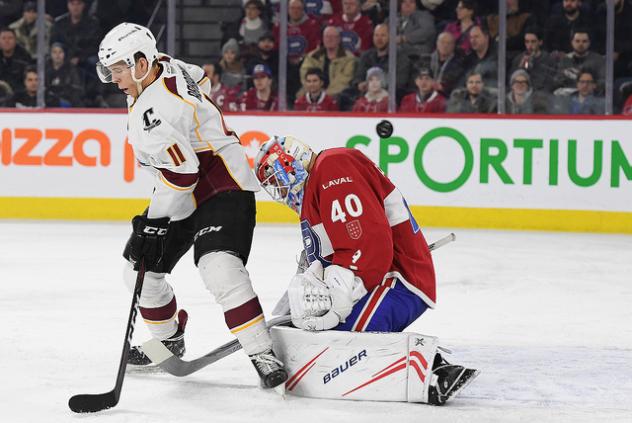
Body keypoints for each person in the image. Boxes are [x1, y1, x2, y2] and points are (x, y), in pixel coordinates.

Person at [95, 23, 287, 389]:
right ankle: (169, 339)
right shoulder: (163, 64)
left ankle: (262, 352)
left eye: (119, 68)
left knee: (219, 267)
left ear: (139, 62)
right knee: (139, 273)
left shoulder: (156, 110)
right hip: (182, 186)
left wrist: (153, 221)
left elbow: (183, 174)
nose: (114, 77)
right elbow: (201, 78)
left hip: (221, 184)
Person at [253, 135, 478, 405]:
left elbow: (367, 243)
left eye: (278, 178)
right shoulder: (317, 188)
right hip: (374, 281)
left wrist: (337, 302)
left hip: (397, 281)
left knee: (334, 347)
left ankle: (433, 369)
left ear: (291, 163)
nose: (279, 189)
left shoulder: (332, 166)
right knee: (308, 341)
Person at [298, 25, 356, 101]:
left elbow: (343, 82)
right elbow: (305, 75)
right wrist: (314, 91)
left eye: (333, 37)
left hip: (337, 95)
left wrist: (324, 96)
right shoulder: (313, 56)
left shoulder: (349, 59)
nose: (329, 39)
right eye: (327, 37)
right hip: (312, 91)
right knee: (300, 97)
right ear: (323, 39)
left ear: (339, 39)